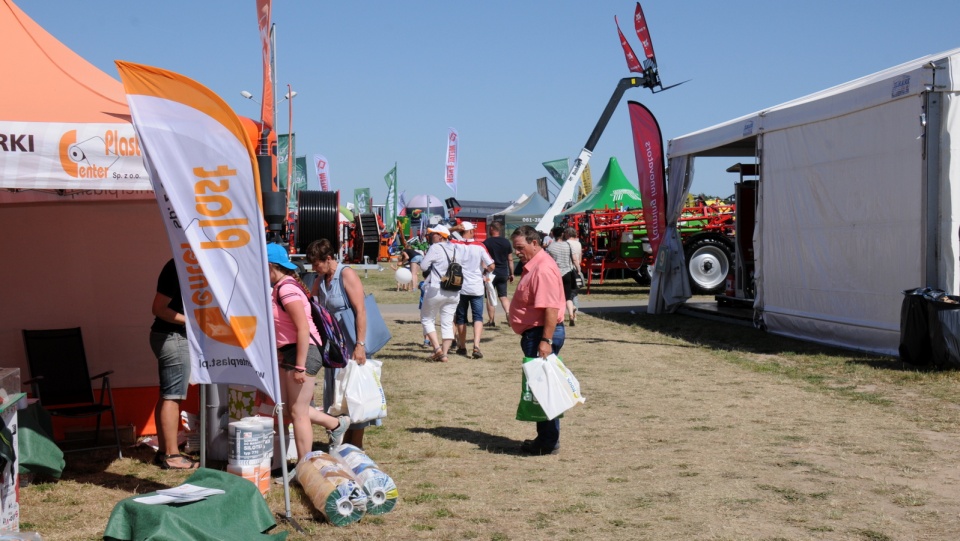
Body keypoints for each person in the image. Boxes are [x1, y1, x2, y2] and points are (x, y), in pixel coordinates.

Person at [268, 243, 350, 459]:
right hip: (290, 351)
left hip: (303, 352)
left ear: (269, 265)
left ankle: (306, 464)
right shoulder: (281, 286)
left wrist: (300, 366)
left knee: (298, 413)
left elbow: (303, 329)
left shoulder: (286, 289)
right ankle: (336, 423)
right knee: (289, 410)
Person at [307, 238, 380, 450]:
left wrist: (360, 344)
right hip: (334, 346)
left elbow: (361, 310)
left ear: (328, 259)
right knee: (338, 394)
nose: (314, 268)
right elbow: (311, 304)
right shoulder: (320, 279)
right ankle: (342, 442)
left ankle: (356, 445)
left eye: (316, 263)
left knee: (355, 394)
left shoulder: (346, 274)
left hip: (351, 341)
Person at [509, 226, 566, 455]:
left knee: (543, 391)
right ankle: (546, 439)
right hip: (536, 334)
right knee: (541, 389)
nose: (517, 252)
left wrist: (546, 340)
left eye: (520, 247)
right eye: (515, 248)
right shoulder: (534, 266)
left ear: (535, 243)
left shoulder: (542, 269)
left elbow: (551, 308)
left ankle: (547, 442)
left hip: (540, 334)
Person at [149, 258, 198, 470]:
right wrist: (193, 322)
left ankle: (164, 451)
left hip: (171, 337)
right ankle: (172, 456)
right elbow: (159, 308)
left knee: (168, 394)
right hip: (173, 337)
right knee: (173, 396)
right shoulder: (176, 265)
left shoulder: (185, 263)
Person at [451, 222, 494, 358]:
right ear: (470, 232)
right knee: (478, 317)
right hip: (476, 287)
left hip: (461, 286)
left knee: (461, 318)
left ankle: (462, 346)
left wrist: (454, 229)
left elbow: (441, 235)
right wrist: (485, 270)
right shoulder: (480, 246)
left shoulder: (455, 244)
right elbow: (491, 265)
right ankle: (476, 345)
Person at [418, 224, 460, 362]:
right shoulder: (455, 248)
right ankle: (445, 354)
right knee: (447, 322)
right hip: (453, 290)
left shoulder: (435, 247)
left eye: (433, 234)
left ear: (441, 236)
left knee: (427, 319)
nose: (431, 236)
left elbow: (423, 266)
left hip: (436, 288)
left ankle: (437, 349)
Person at [482, 221, 514, 327]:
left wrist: (483, 271)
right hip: (503, 272)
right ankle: (509, 315)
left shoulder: (487, 242)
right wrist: (512, 273)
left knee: (490, 296)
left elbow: (483, 260)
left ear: (491, 228)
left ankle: (491, 320)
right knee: (503, 296)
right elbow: (510, 259)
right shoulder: (506, 242)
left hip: (490, 273)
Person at [545, 226, 578, 326]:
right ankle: (571, 314)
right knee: (568, 296)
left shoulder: (550, 247)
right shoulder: (568, 245)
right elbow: (574, 259)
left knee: (557, 297)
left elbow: (549, 261)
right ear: (562, 234)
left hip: (556, 274)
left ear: (553, 234)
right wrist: (578, 270)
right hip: (567, 272)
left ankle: (560, 317)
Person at [564, 227, 583, 325]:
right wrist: (579, 268)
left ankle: (572, 310)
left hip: (568, 269)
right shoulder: (578, 243)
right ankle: (575, 312)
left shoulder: (566, 243)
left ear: (567, 234)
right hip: (577, 269)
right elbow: (579, 258)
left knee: (567, 293)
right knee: (574, 292)